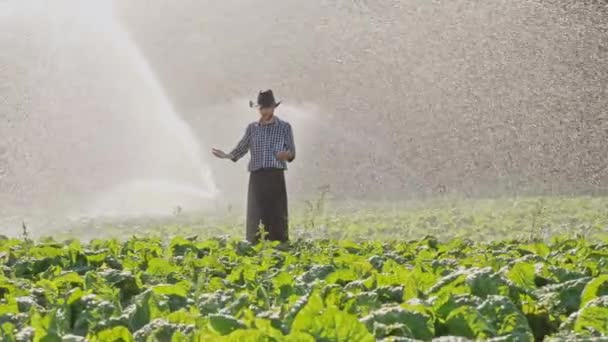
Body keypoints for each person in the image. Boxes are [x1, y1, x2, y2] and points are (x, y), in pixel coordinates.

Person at [211, 89, 296, 244]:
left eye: (267, 108)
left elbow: (292, 152)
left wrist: (287, 155)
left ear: (273, 108)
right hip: (257, 175)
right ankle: (254, 243)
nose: (264, 111)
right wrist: (227, 155)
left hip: (275, 174)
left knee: (277, 211)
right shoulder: (252, 128)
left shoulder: (284, 127)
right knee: (256, 211)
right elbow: (242, 148)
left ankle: (279, 243)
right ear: (258, 108)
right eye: (261, 108)